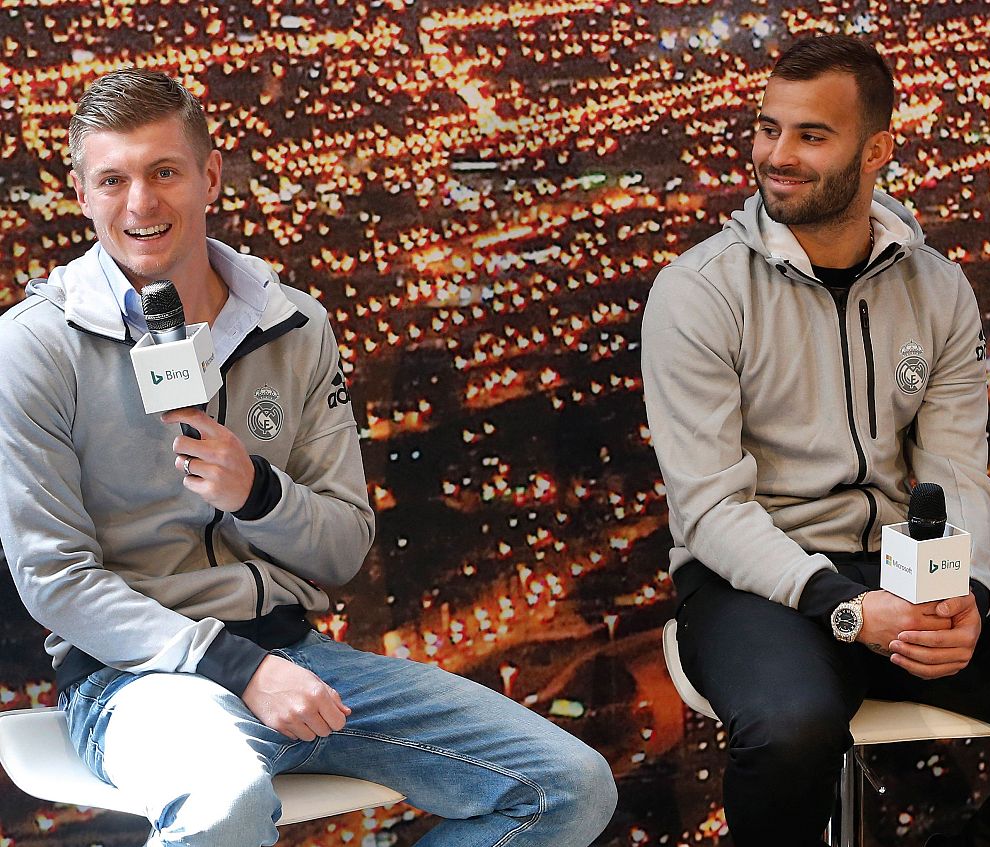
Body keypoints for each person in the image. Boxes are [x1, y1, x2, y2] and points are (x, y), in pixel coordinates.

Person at [0, 69, 615, 847]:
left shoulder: (294, 325)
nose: (141, 204)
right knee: (223, 803)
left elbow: (344, 544)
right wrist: (237, 668)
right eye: (114, 179)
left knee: (568, 785)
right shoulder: (34, 345)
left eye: (164, 172)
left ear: (211, 175)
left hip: (298, 651)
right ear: (82, 194)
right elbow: (55, 576)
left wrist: (258, 492)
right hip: (136, 679)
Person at [641, 35, 990, 847]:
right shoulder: (697, 293)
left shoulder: (937, 286)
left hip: (907, 568)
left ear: (877, 150)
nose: (775, 155)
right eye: (766, 128)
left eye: (810, 135)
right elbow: (712, 510)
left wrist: (969, 592)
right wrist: (846, 607)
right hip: (754, 586)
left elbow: (957, 468)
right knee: (790, 732)